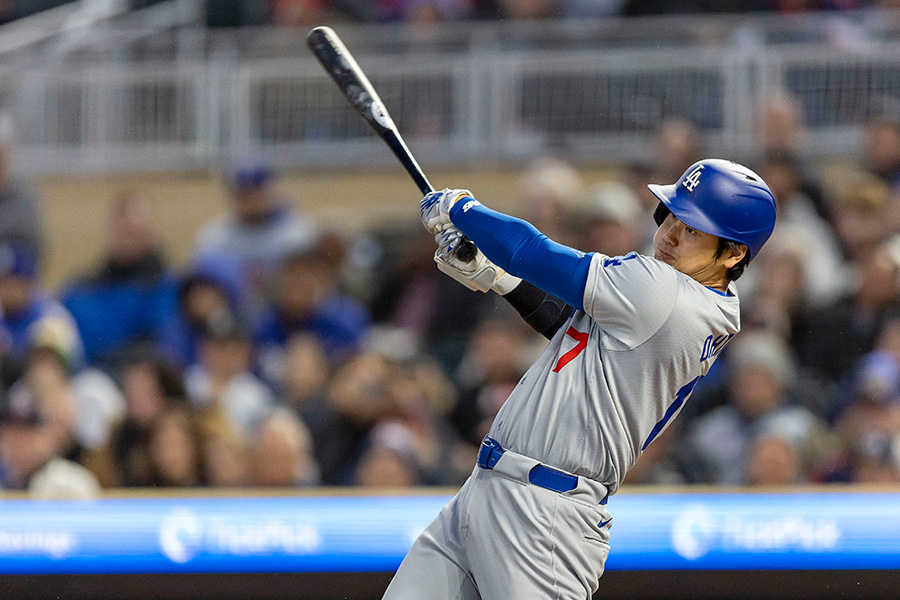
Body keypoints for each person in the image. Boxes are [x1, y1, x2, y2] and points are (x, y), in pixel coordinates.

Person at [382, 158, 776, 599]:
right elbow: (578, 337)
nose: (669, 234)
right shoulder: (700, 300)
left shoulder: (665, 292)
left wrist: (463, 209)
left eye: (693, 229)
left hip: (545, 517)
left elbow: (532, 252)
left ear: (734, 252)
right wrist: (501, 280)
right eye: (671, 215)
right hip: (493, 491)